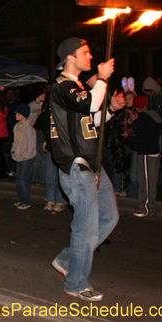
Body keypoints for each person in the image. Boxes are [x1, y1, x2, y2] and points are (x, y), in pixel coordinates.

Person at [49, 37, 124, 302]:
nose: (90, 57)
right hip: (77, 165)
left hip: (92, 162)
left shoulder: (77, 87)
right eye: (85, 52)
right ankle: (77, 282)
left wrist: (111, 111)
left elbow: (90, 120)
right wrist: (102, 79)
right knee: (86, 227)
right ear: (71, 57)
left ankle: (70, 258)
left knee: (109, 217)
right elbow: (89, 104)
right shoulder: (62, 85)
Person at [128, 95, 162, 217]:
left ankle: (146, 208)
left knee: (146, 182)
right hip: (152, 151)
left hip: (146, 152)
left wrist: (128, 137)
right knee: (149, 181)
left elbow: (140, 137)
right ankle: (146, 207)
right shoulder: (153, 116)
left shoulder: (143, 118)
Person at [11, 103, 37, 209]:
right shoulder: (17, 126)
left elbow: (30, 148)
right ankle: (21, 199)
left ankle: (26, 201)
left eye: (18, 113)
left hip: (26, 158)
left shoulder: (29, 129)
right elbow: (15, 142)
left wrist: (21, 156)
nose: (16, 115)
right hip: (19, 157)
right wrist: (13, 152)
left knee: (24, 180)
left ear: (24, 115)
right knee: (19, 180)